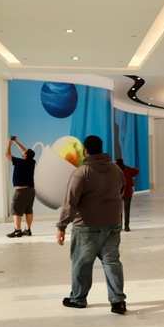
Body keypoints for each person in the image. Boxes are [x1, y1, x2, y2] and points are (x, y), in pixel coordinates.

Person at [56, 135, 127, 315]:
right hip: (112, 225)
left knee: (81, 263)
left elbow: (70, 201)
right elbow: (122, 190)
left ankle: (78, 299)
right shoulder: (116, 170)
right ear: (102, 148)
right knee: (112, 263)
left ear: (86, 151)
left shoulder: (82, 172)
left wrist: (62, 226)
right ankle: (118, 301)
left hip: (86, 227)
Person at [5, 136, 36, 238]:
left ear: (26, 155)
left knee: (16, 210)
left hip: (21, 191)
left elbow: (7, 155)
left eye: (24, 153)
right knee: (28, 210)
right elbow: (26, 151)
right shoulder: (32, 162)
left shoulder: (20, 162)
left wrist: (9, 143)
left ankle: (17, 231)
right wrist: (16, 142)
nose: (22, 152)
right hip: (31, 190)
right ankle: (28, 230)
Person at [116, 158, 139, 232]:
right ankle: (126, 227)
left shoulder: (115, 170)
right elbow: (136, 171)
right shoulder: (127, 169)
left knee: (119, 211)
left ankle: (119, 227)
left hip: (118, 193)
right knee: (127, 210)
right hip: (128, 192)